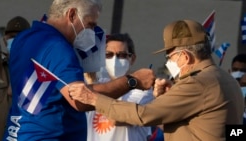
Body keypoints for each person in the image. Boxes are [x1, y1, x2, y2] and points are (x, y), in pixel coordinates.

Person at [69, 19, 245, 141]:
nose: (169, 62)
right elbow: (235, 132)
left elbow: (143, 115)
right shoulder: (227, 79)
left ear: (184, 56)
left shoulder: (197, 83)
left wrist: (93, 98)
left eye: (170, 56)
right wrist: (164, 99)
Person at [3, 0, 155, 141]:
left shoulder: (24, 37)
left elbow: (13, 89)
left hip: (17, 132)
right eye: (90, 24)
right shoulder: (58, 47)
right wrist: (132, 81)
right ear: (72, 15)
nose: (93, 31)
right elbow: (80, 99)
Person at [86, 33, 154, 141]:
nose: (114, 60)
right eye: (108, 54)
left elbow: (118, 118)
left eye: (121, 55)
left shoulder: (142, 90)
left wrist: (91, 95)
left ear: (132, 58)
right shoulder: (99, 83)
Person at [0, 16, 30, 141]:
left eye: (19, 36)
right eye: (11, 37)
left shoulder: (36, 69)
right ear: (4, 39)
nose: (15, 40)